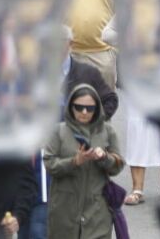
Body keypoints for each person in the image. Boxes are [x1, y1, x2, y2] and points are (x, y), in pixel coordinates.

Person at [40, 83, 121, 239]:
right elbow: (49, 164)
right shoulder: (59, 131)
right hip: (64, 210)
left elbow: (118, 166)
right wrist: (74, 162)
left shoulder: (107, 131)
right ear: (71, 107)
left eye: (90, 108)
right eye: (79, 107)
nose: (84, 112)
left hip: (97, 211)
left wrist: (104, 158)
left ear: (97, 108)